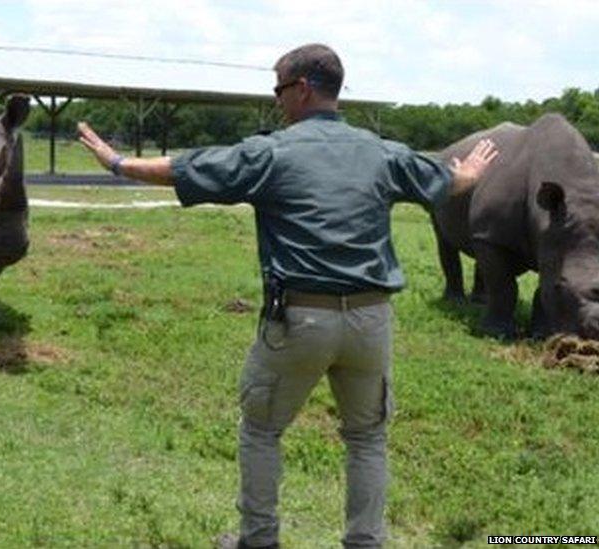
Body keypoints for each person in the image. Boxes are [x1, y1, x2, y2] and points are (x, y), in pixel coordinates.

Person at [78, 43, 498, 549]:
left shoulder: (271, 152)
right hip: (371, 321)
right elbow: (449, 181)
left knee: (261, 430)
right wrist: (471, 173)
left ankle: (258, 540)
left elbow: (188, 168)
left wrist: (118, 162)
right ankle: (366, 542)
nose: (276, 100)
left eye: (278, 88)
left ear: (301, 89)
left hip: (302, 319)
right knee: (367, 438)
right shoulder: (381, 151)